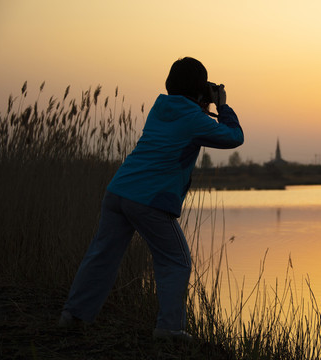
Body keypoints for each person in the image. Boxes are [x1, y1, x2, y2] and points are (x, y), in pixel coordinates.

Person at [58, 57, 244, 341]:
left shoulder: (160, 108)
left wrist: (201, 101)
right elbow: (233, 137)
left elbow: (185, 118)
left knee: (102, 255)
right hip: (149, 199)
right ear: (199, 87)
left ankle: (73, 315)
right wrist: (222, 105)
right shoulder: (194, 119)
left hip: (119, 191)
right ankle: (170, 329)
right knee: (176, 261)